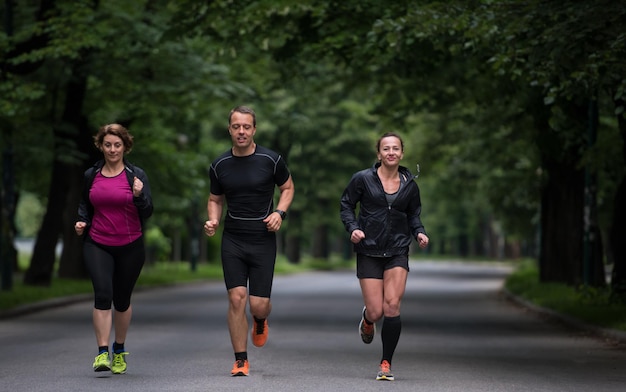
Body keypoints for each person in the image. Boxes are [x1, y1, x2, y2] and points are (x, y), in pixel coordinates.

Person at [204, 105, 294, 377]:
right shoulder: (219, 165)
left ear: (254, 129)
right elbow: (214, 199)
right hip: (233, 238)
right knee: (236, 298)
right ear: (229, 129)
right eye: (236, 127)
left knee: (258, 304)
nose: (241, 131)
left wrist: (280, 212)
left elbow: (288, 188)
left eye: (246, 127)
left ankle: (260, 319)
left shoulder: (271, 160)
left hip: (262, 238)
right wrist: (213, 219)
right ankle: (240, 359)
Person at [340, 132, 429, 381]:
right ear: (379, 154)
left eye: (396, 148)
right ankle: (367, 320)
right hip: (369, 249)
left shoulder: (410, 185)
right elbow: (346, 204)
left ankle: (386, 363)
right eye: (386, 149)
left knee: (392, 305)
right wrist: (353, 228)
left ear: (402, 153)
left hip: (398, 250)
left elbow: (414, 215)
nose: (391, 152)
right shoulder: (362, 179)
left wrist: (419, 233)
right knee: (377, 311)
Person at [75, 123, 153, 374]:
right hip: (97, 242)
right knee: (103, 295)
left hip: (130, 245)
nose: (112, 149)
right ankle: (102, 353)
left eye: (117, 145)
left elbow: (148, 212)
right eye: (107, 144)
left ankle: (119, 350)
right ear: (101, 146)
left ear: (125, 147)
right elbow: (85, 204)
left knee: (121, 300)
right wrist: (81, 221)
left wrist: (139, 196)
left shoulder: (136, 175)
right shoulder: (91, 175)